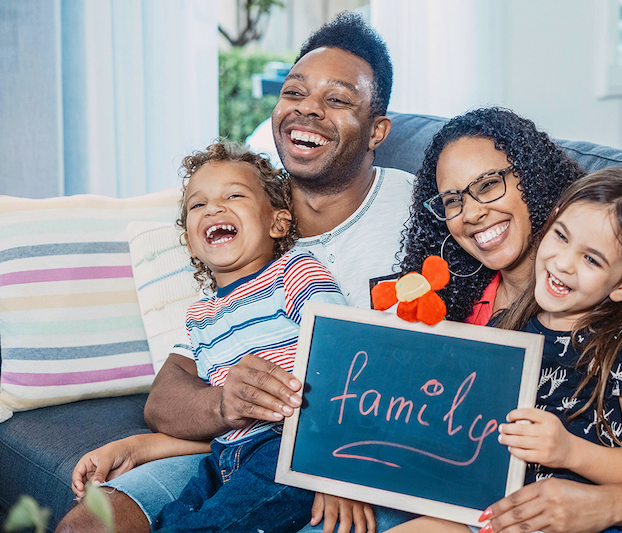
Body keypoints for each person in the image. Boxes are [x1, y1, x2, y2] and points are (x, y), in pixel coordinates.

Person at [57, 12, 417, 533]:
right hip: (228, 451)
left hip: (331, 455)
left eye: (337, 100)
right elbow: (169, 395)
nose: (308, 110)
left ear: (377, 130)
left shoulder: (418, 211)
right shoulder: (244, 226)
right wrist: (214, 408)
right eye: (294, 92)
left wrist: (341, 471)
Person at [393, 107, 622, 533]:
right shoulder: (462, 310)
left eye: (488, 185)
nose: (471, 213)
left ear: (534, 182)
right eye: (453, 200)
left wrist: (599, 502)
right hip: (484, 509)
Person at [72, 141, 348, 532]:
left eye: (233, 195)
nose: (213, 208)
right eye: (197, 205)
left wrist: (332, 464)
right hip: (224, 457)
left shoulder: (295, 272)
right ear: (189, 239)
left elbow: (344, 357)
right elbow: (217, 420)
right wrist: (136, 446)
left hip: (289, 448)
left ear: (278, 223)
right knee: (169, 520)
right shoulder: (200, 317)